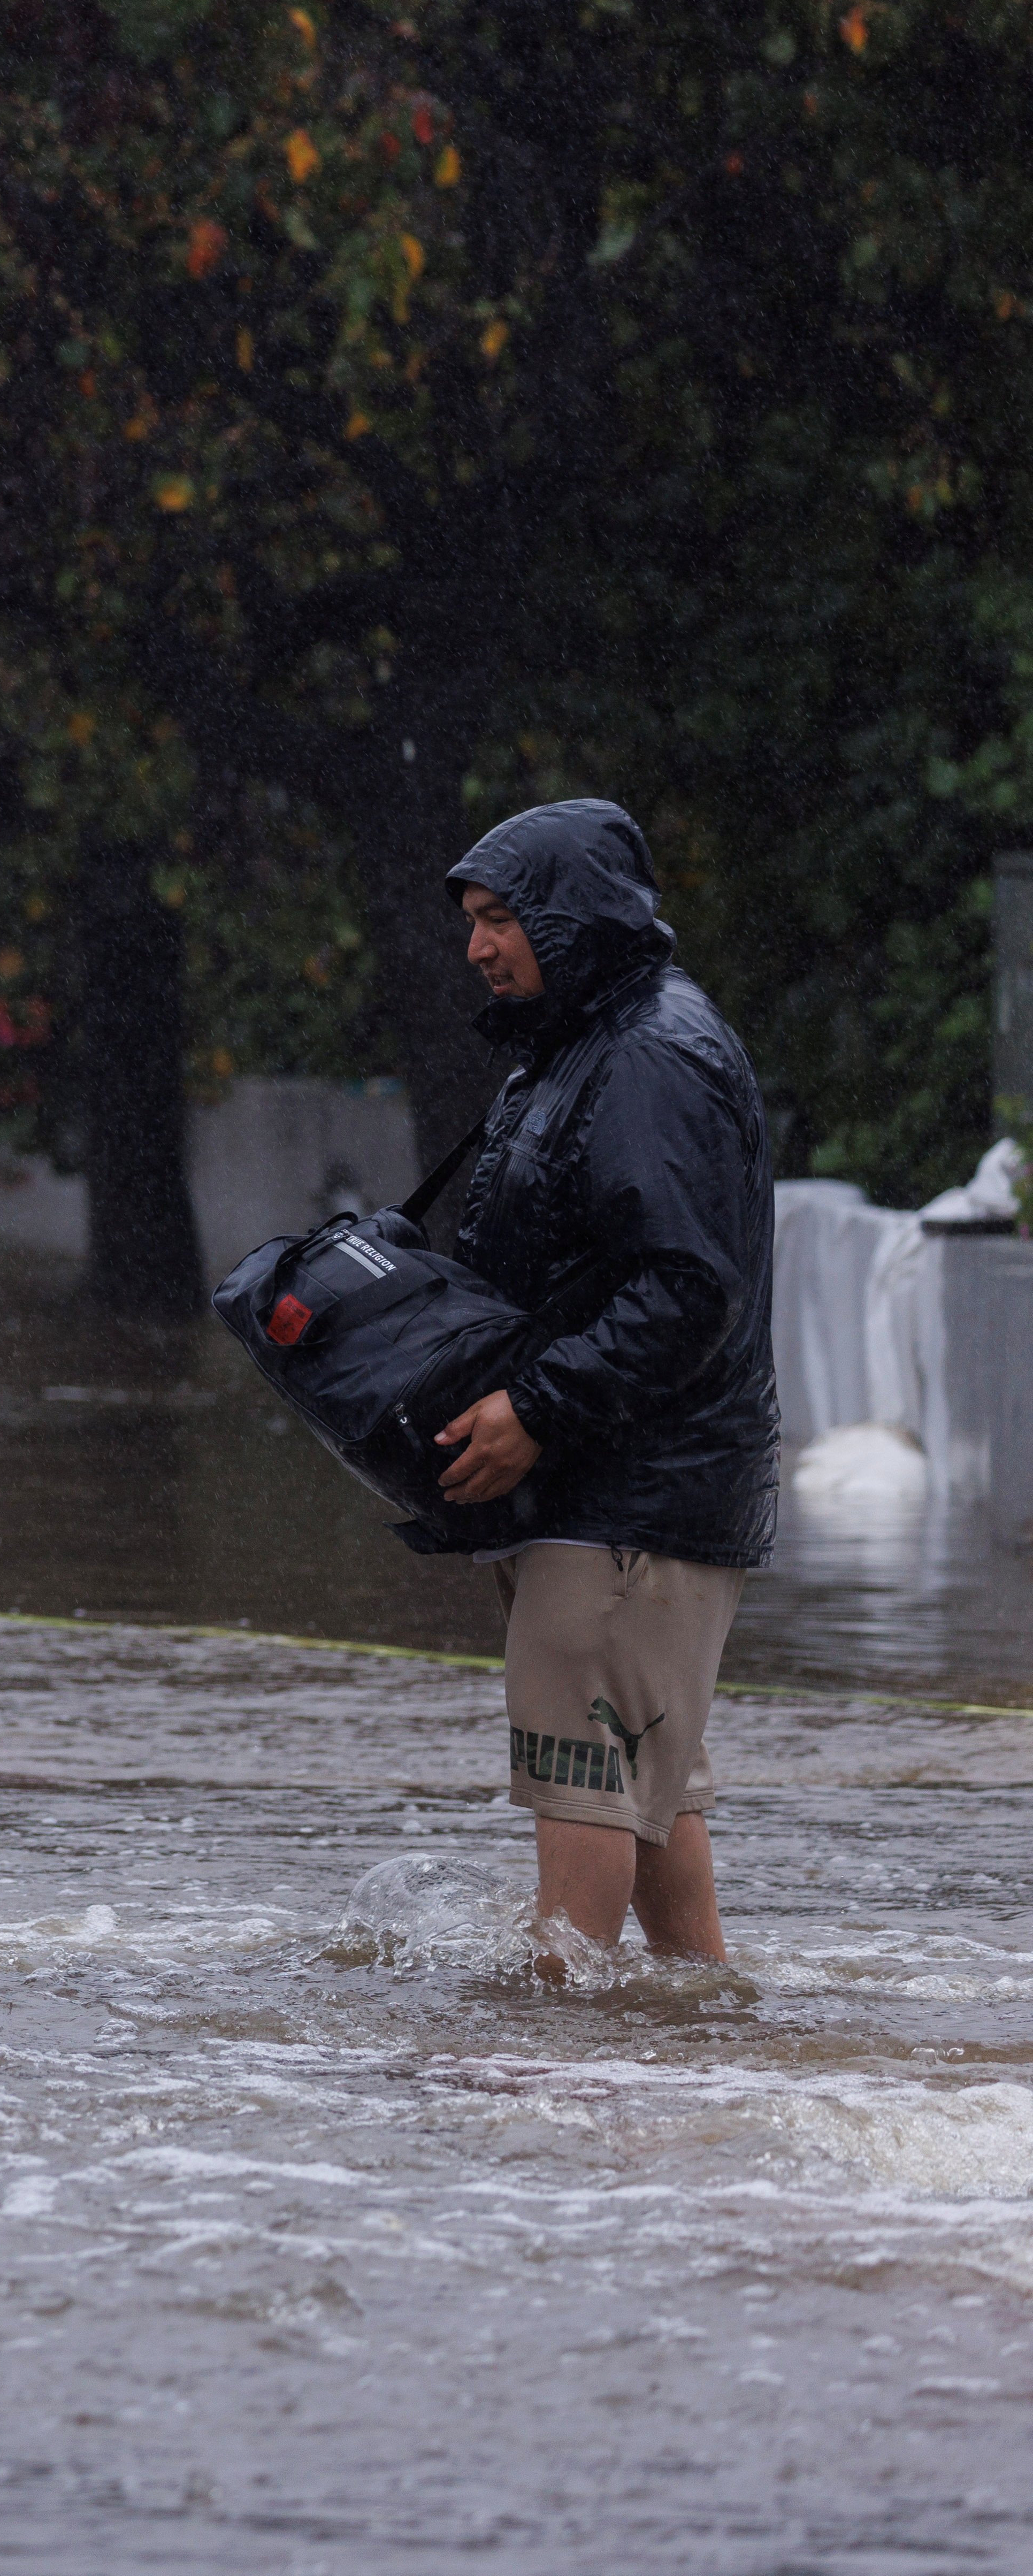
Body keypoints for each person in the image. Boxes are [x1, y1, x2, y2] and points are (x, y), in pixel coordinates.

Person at [428, 798, 772, 1967]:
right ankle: (696, 2054)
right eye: (472, 922)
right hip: (624, 1502)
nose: (479, 946)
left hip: (627, 1507)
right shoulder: (590, 1045)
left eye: (501, 918)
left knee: (582, 1801)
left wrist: (535, 1409)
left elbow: (687, 1286)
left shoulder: (645, 1057)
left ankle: (552, 2092)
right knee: (650, 1803)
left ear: (572, 919)